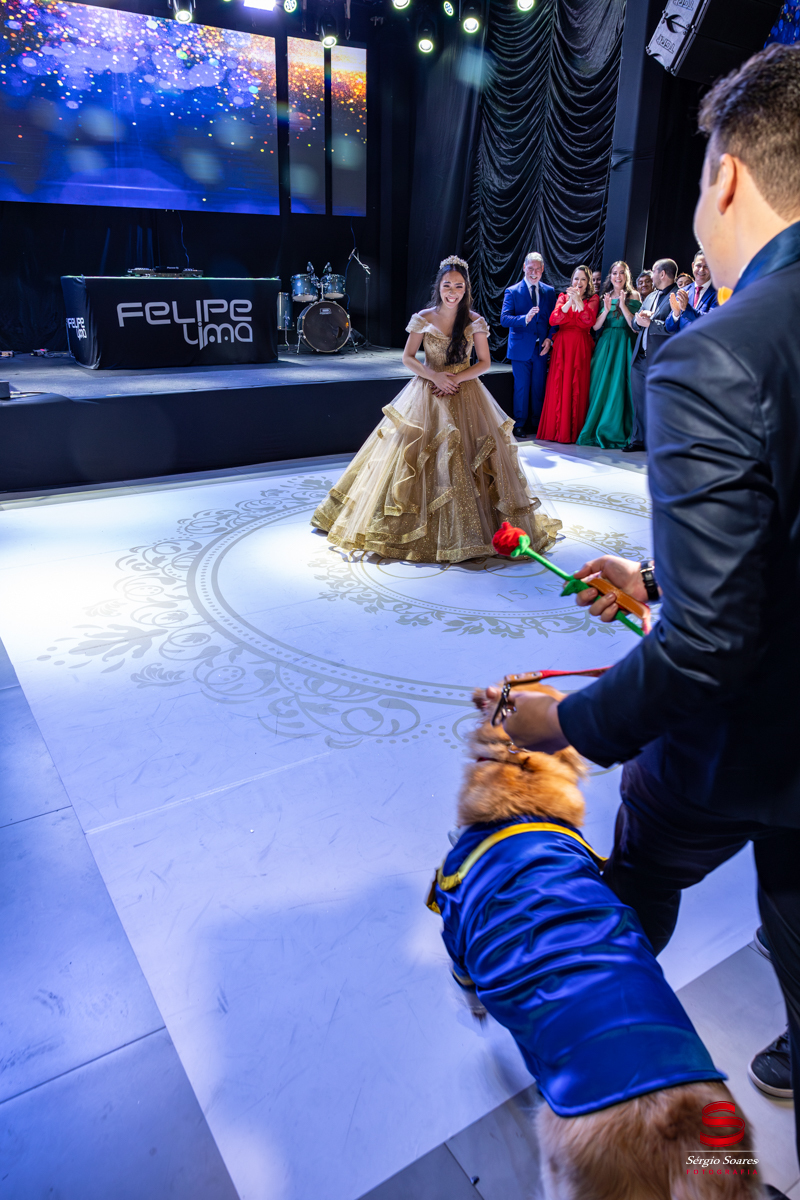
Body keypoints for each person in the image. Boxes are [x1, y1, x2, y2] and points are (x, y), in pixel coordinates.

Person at [485, 43, 800, 1179]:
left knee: (634, 889)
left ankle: (597, 1058)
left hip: (738, 742)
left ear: (725, 176)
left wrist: (562, 725)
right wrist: (663, 579)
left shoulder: (717, 353)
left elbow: (710, 650)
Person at [312, 255, 560, 562]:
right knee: (413, 458)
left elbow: (484, 362)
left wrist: (453, 379)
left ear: (466, 288)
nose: (452, 291)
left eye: (458, 286)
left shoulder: (475, 320)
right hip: (427, 391)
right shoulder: (423, 317)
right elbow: (408, 357)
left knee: (471, 460)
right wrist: (434, 376)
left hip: (465, 392)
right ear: (438, 287)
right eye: (447, 285)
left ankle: (472, 533)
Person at [577, 261, 641, 449]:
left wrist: (623, 305)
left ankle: (617, 431)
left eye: (621, 273)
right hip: (605, 345)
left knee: (620, 387)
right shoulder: (604, 295)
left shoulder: (634, 295)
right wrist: (606, 309)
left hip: (625, 344)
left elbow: (635, 328)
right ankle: (597, 428)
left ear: (626, 275)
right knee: (600, 387)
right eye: (614, 273)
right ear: (610, 276)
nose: (617, 276)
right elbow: (595, 326)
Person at [536, 266, 599, 444]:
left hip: (580, 346)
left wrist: (578, 300)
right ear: (571, 281)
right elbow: (554, 319)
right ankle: (556, 430)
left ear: (588, 283)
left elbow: (588, 321)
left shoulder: (593, 299)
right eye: (576, 279)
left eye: (583, 279)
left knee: (577, 385)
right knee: (559, 385)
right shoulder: (563, 297)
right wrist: (571, 301)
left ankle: (573, 431)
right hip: (562, 346)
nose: (579, 282)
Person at [622, 258, 679, 452]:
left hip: (661, 359)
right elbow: (636, 324)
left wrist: (651, 324)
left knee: (660, 403)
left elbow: (676, 326)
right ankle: (638, 440)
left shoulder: (678, 295)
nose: (651, 275)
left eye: (653, 271)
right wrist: (639, 319)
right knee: (639, 401)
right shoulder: (650, 296)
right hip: (640, 356)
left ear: (662, 274)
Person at [500, 252, 557, 439]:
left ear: (542, 270)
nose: (534, 272)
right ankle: (519, 424)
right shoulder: (512, 291)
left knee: (538, 387)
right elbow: (504, 319)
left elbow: (554, 320)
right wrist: (525, 318)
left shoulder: (549, 291)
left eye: (537, 269)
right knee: (522, 388)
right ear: (524, 267)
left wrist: (550, 338)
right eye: (530, 268)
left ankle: (537, 423)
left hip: (541, 348)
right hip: (520, 349)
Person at [665, 249, 719, 332]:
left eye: (706, 266)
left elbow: (711, 322)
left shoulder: (719, 293)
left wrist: (686, 308)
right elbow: (669, 327)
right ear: (693, 266)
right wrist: (676, 314)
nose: (701, 270)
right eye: (698, 265)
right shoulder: (683, 291)